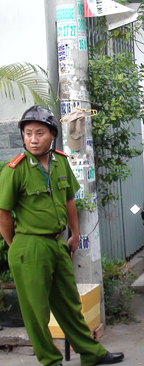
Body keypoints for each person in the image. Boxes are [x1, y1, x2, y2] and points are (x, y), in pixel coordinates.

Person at [0, 106, 124, 366]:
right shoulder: (15, 169)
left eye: (40, 133)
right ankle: (51, 361)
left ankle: (92, 353)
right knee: (37, 312)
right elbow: (3, 213)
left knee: (69, 304)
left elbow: (69, 199)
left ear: (52, 136)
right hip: (29, 246)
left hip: (57, 243)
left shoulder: (60, 161)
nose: (33, 139)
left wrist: (75, 233)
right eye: (28, 133)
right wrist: (16, 247)